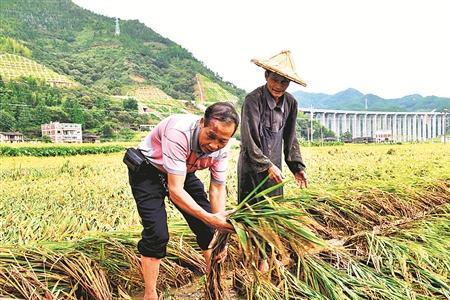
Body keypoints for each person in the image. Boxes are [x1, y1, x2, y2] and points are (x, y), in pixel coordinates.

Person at [128, 102, 239, 300]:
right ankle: (150, 295)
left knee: (210, 231)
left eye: (222, 141)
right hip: (148, 170)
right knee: (157, 233)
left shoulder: (223, 148)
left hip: (184, 172)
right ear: (201, 122)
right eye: (211, 136)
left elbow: (217, 187)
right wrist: (209, 217)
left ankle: (214, 287)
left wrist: (219, 227)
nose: (214, 145)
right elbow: (175, 191)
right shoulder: (179, 132)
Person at [237, 50, 308, 271]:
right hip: (252, 168)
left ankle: (268, 255)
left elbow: (290, 137)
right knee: (252, 213)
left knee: (273, 213)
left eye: (284, 81)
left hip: (274, 169)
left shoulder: (290, 103)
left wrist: (296, 167)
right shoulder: (253, 100)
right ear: (266, 75)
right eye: (275, 79)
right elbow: (249, 140)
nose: (279, 85)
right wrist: (265, 165)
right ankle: (254, 258)